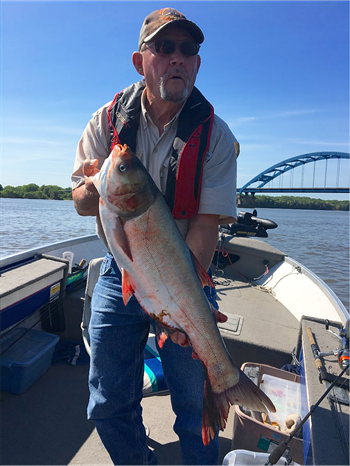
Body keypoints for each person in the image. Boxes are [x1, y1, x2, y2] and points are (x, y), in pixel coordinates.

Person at [72, 7, 240, 466]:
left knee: (193, 407)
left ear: (198, 64)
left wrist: (181, 307)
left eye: (188, 50)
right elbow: (82, 202)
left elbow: (205, 226)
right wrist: (93, 186)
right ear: (140, 60)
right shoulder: (106, 123)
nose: (177, 58)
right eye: (164, 48)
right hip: (119, 270)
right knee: (106, 402)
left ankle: (222, 384)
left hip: (184, 269)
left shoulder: (216, 136)